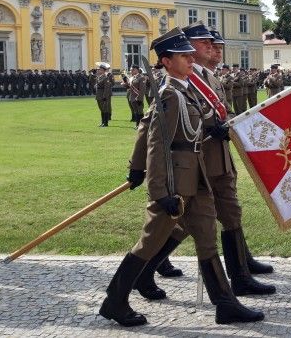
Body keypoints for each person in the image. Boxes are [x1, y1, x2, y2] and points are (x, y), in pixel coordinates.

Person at [99, 27, 263, 327]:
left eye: (190, 54)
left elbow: (194, 133)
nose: (190, 59)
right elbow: (156, 143)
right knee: (148, 243)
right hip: (175, 182)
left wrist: (214, 130)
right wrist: (159, 191)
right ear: (165, 61)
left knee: (206, 239)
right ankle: (114, 300)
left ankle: (225, 304)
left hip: (197, 178)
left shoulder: (186, 89)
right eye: (183, 55)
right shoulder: (169, 95)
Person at [123, 65, 147, 129]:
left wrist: (140, 99)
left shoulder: (141, 78)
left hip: (138, 98)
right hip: (132, 97)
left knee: (140, 112)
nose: (131, 71)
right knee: (136, 112)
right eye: (131, 70)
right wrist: (125, 83)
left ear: (137, 70)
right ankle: (137, 124)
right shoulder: (132, 78)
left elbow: (142, 90)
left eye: (132, 70)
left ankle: (142, 125)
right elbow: (129, 87)